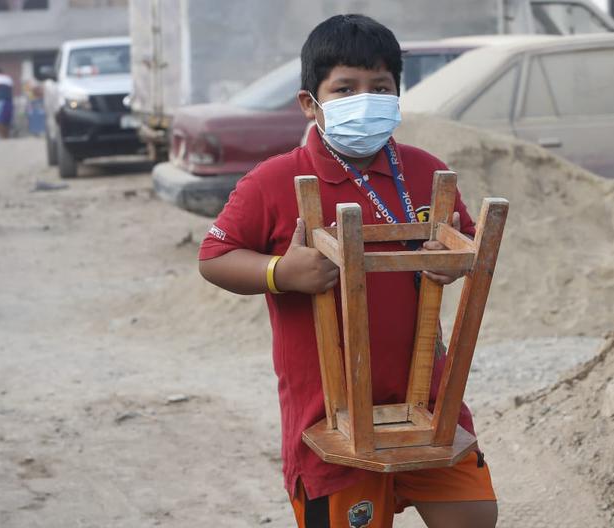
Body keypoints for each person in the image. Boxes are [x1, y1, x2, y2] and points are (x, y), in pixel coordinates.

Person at [198, 15, 497, 528]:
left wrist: (452, 261)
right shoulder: (275, 181)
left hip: (426, 401)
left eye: (380, 87)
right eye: (345, 88)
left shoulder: (427, 172)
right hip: (327, 411)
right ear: (309, 104)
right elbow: (213, 257)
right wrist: (281, 272)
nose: (366, 98)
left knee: (474, 517)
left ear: (398, 96)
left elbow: (466, 241)